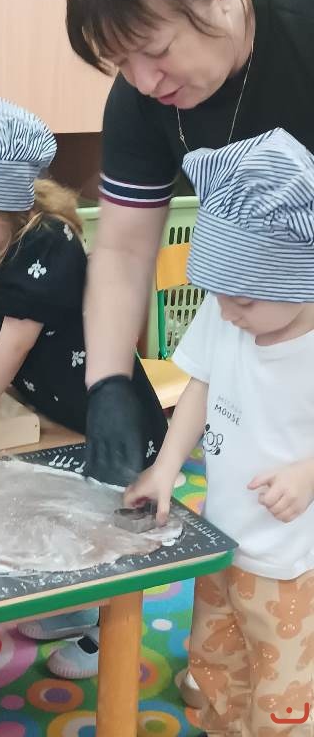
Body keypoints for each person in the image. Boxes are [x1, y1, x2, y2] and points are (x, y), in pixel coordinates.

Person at [0, 91, 168, 675]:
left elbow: (15, 339)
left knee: (112, 517)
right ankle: (76, 609)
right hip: (49, 404)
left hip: (100, 404)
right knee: (62, 511)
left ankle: (108, 631)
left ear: (10, 203)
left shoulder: (48, 239)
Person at [63, 0, 314, 487]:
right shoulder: (139, 100)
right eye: (120, 62)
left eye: (155, 50)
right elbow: (123, 249)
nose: (144, 81)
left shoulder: (304, 17)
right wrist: (108, 383)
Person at [124, 128, 314, 736]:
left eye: (244, 301)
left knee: (283, 690)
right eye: (217, 294)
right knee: (214, 664)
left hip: (292, 566)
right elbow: (200, 387)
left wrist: (308, 472)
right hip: (223, 537)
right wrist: (165, 467)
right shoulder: (227, 309)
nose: (227, 311)